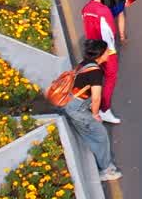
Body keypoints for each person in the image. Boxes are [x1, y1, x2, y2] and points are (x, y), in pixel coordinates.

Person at [59, 39, 122, 182]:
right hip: (77, 109)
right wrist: (95, 114)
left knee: (91, 132)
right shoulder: (96, 73)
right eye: (107, 51)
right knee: (100, 134)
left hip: (70, 102)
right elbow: (96, 98)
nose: (109, 53)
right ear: (100, 55)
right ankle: (106, 170)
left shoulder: (85, 63)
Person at [81, 0, 122, 125]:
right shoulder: (104, 11)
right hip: (106, 51)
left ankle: (93, 104)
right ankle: (104, 110)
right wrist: (110, 51)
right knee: (110, 79)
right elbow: (109, 33)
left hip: (91, 48)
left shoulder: (85, 9)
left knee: (95, 78)